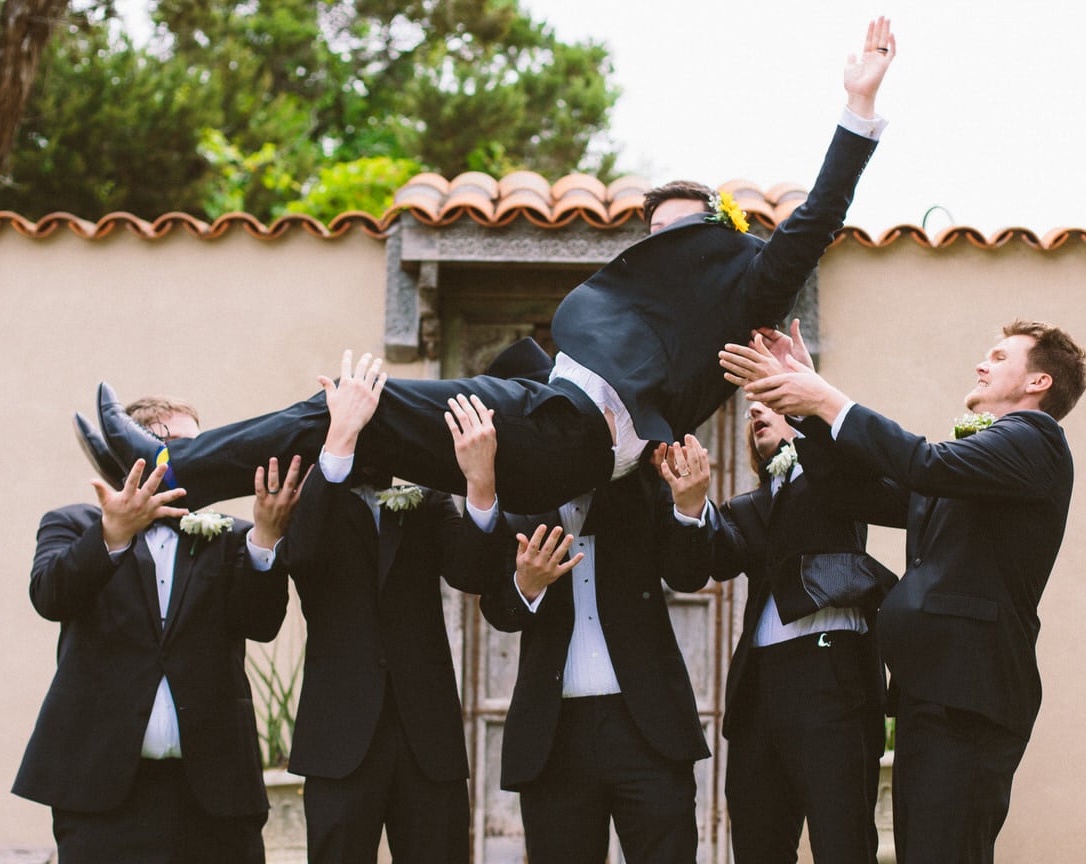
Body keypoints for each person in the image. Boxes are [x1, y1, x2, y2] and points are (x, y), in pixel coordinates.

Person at [76, 19, 897, 515]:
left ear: (721, 240)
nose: (664, 254)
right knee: (342, 420)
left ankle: (163, 463)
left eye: (681, 237)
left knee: (342, 404)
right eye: (654, 240)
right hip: (542, 427)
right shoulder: (634, 317)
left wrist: (858, 106)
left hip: (564, 437)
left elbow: (817, 217)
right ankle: (169, 478)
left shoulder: (747, 287)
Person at [724, 320, 1086, 864]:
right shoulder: (973, 467)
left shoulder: (1033, 442)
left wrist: (827, 398)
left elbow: (919, 459)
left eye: (1000, 355)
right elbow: (870, 482)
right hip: (932, 701)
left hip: (969, 700)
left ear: (1038, 382)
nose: (982, 360)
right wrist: (802, 416)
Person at [13, 395, 303, 864]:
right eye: (171, 441)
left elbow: (261, 620)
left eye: (195, 444)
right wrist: (114, 533)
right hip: (107, 807)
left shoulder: (229, 537)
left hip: (212, 806)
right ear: (127, 455)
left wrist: (264, 537)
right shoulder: (74, 524)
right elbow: (50, 593)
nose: (188, 456)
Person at [673, 342, 898, 864]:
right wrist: (687, 506)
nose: (758, 412)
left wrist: (814, 400)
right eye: (753, 407)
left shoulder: (837, 472)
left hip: (831, 688)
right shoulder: (758, 504)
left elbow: (850, 468)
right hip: (762, 702)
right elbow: (703, 555)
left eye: (775, 402)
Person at [279, 355, 503, 864]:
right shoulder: (315, 496)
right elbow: (301, 554)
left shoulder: (428, 501)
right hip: (341, 743)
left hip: (428, 742)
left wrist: (479, 480)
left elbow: (472, 568)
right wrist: (336, 443)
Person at [478, 438, 721, 864]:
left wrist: (690, 503)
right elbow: (498, 610)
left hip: (646, 734)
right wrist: (525, 585)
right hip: (554, 742)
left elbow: (689, 571)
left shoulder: (642, 484)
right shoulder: (517, 504)